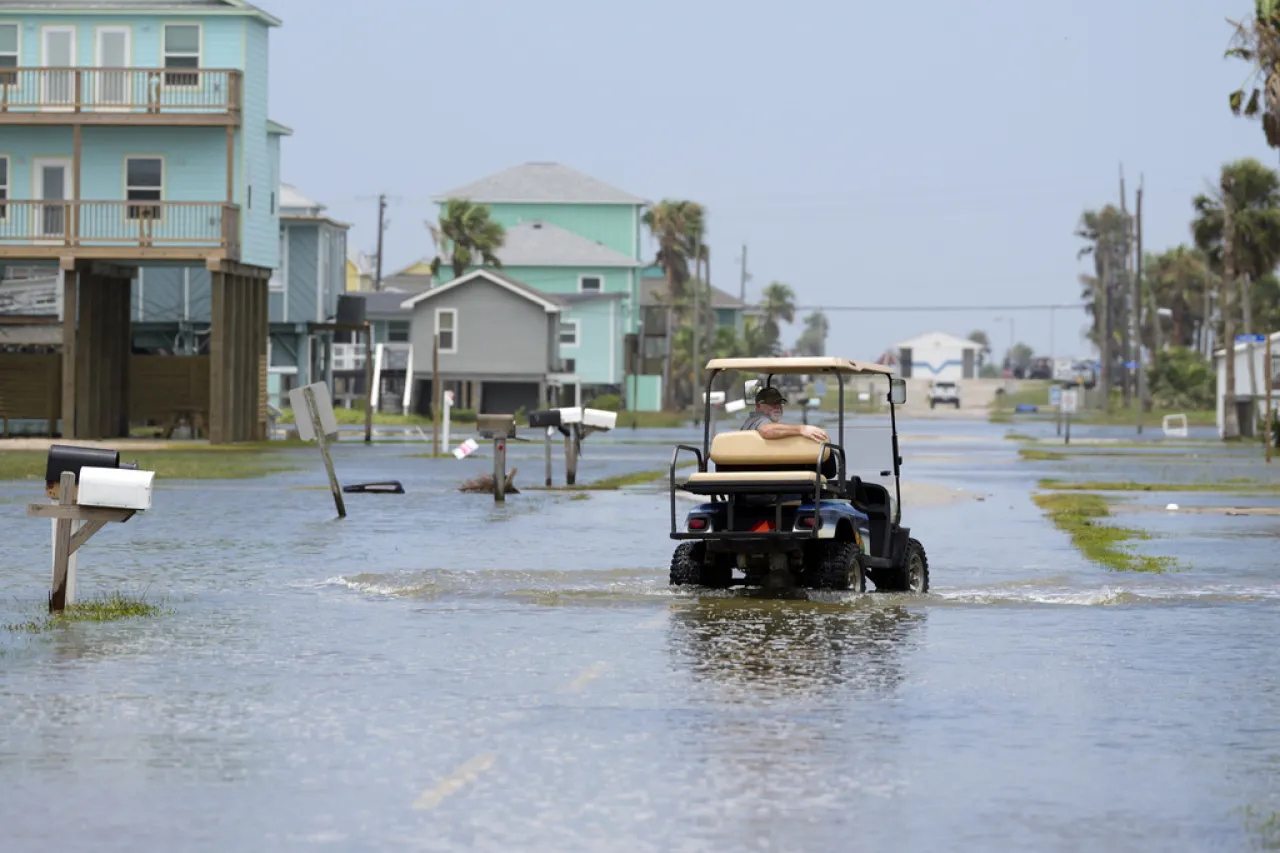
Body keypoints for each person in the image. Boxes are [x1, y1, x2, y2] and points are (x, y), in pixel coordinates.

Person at [740, 386, 828, 443]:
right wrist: (802, 429)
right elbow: (766, 430)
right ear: (759, 406)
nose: (777, 407)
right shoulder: (760, 420)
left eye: (779, 402)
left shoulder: (749, 422)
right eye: (771, 403)